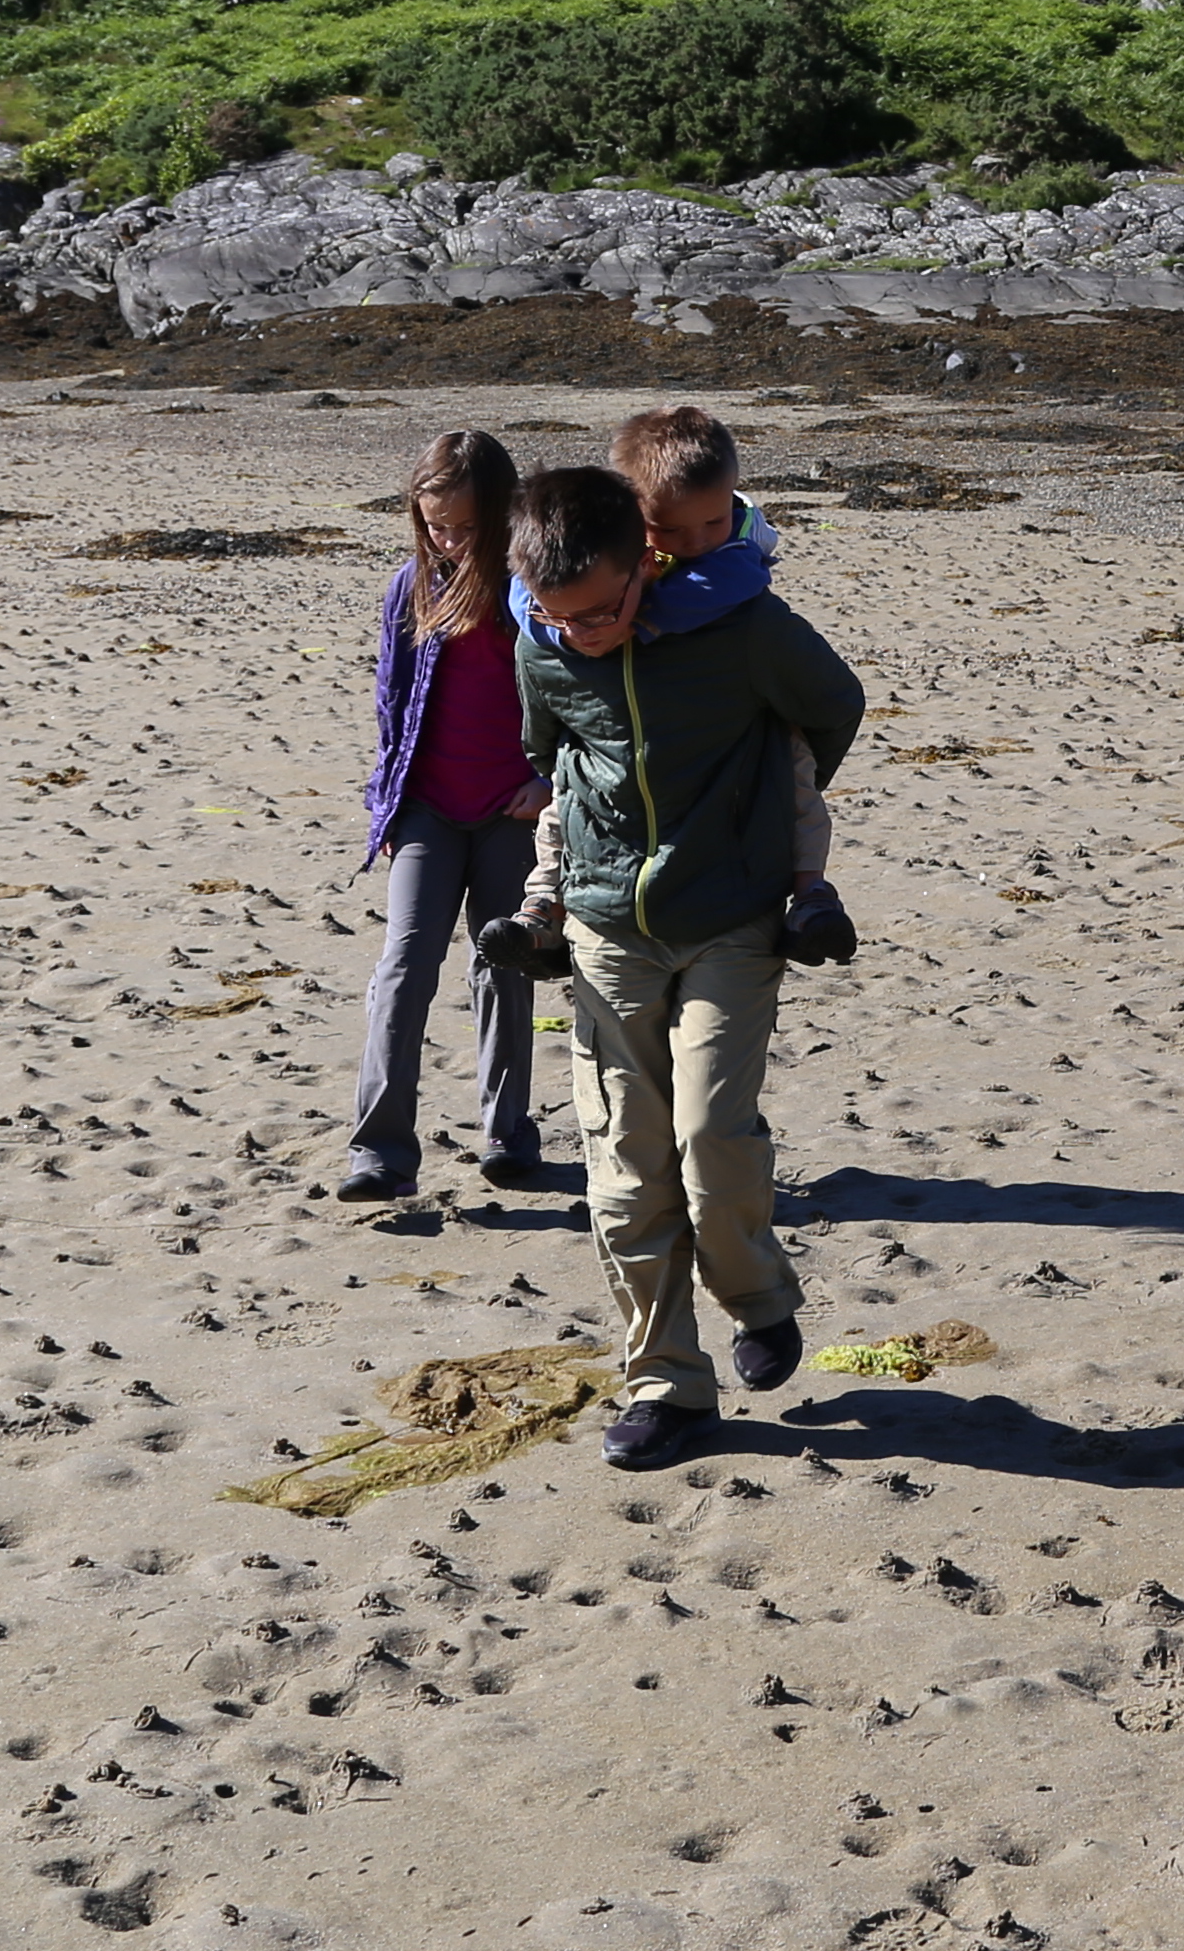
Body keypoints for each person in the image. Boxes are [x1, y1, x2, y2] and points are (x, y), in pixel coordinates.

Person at [504, 460, 868, 1469]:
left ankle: (757, 1298)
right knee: (625, 1169)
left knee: (710, 1134)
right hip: (605, 929)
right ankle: (667, 1386)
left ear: (647, 566)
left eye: (596, 613)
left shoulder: (744, 630)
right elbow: (549, 751)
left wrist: (758, 827)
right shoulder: (545, 645)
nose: (576, 633)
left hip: (732, 926)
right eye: (554, 616)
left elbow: (835, 704)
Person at [344, 430, 570, 1202]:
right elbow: (392, 704)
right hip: (428, 812)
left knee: (501, 967)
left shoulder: (528, 593)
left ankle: (509, 1135)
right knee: (403, 970)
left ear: (504, 517)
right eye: (434, 524)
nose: (447, 540)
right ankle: (378, 1152)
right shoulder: (409, 587)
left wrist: (546, 779)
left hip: (510, 815)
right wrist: (391, 802)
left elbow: (571, 694)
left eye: (465, 527)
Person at [608, 402, 861, 966]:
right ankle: (543, 909)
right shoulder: (612, 543)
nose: (697, 540)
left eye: (712, 522)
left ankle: (811, 892)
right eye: (671, 528)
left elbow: (728, 582)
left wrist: (649, 616)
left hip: (757, 704)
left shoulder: (741, 541)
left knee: (794, 777)